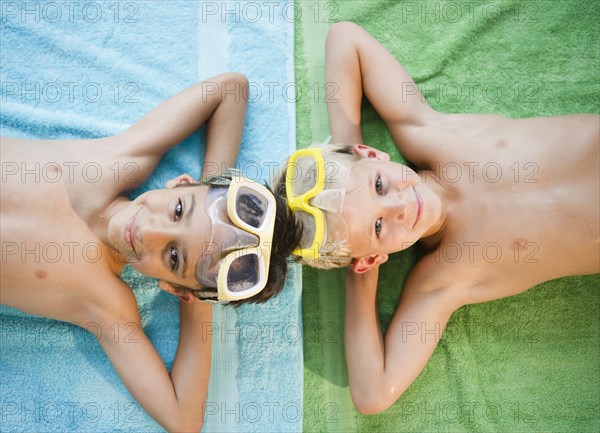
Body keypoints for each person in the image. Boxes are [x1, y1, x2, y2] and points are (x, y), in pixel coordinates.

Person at [274, 22, 599, 415]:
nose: (399, 207)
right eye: (378, 228)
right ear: (372, 258)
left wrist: (348, 152)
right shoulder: (441, 281)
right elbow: (373, 394)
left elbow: (344, 38)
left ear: (373, 154)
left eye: (379, 186)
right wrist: (360, 272)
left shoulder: (429, 133)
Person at [1, 72, 301, 432]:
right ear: (182, 182)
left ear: (174, 289)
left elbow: (183, 419)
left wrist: (200, 298)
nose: (149, 231)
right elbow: (230, 90)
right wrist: (211, 189)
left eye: (174, 258)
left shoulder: (103, 301)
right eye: (178, 210)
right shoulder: (115, 162)